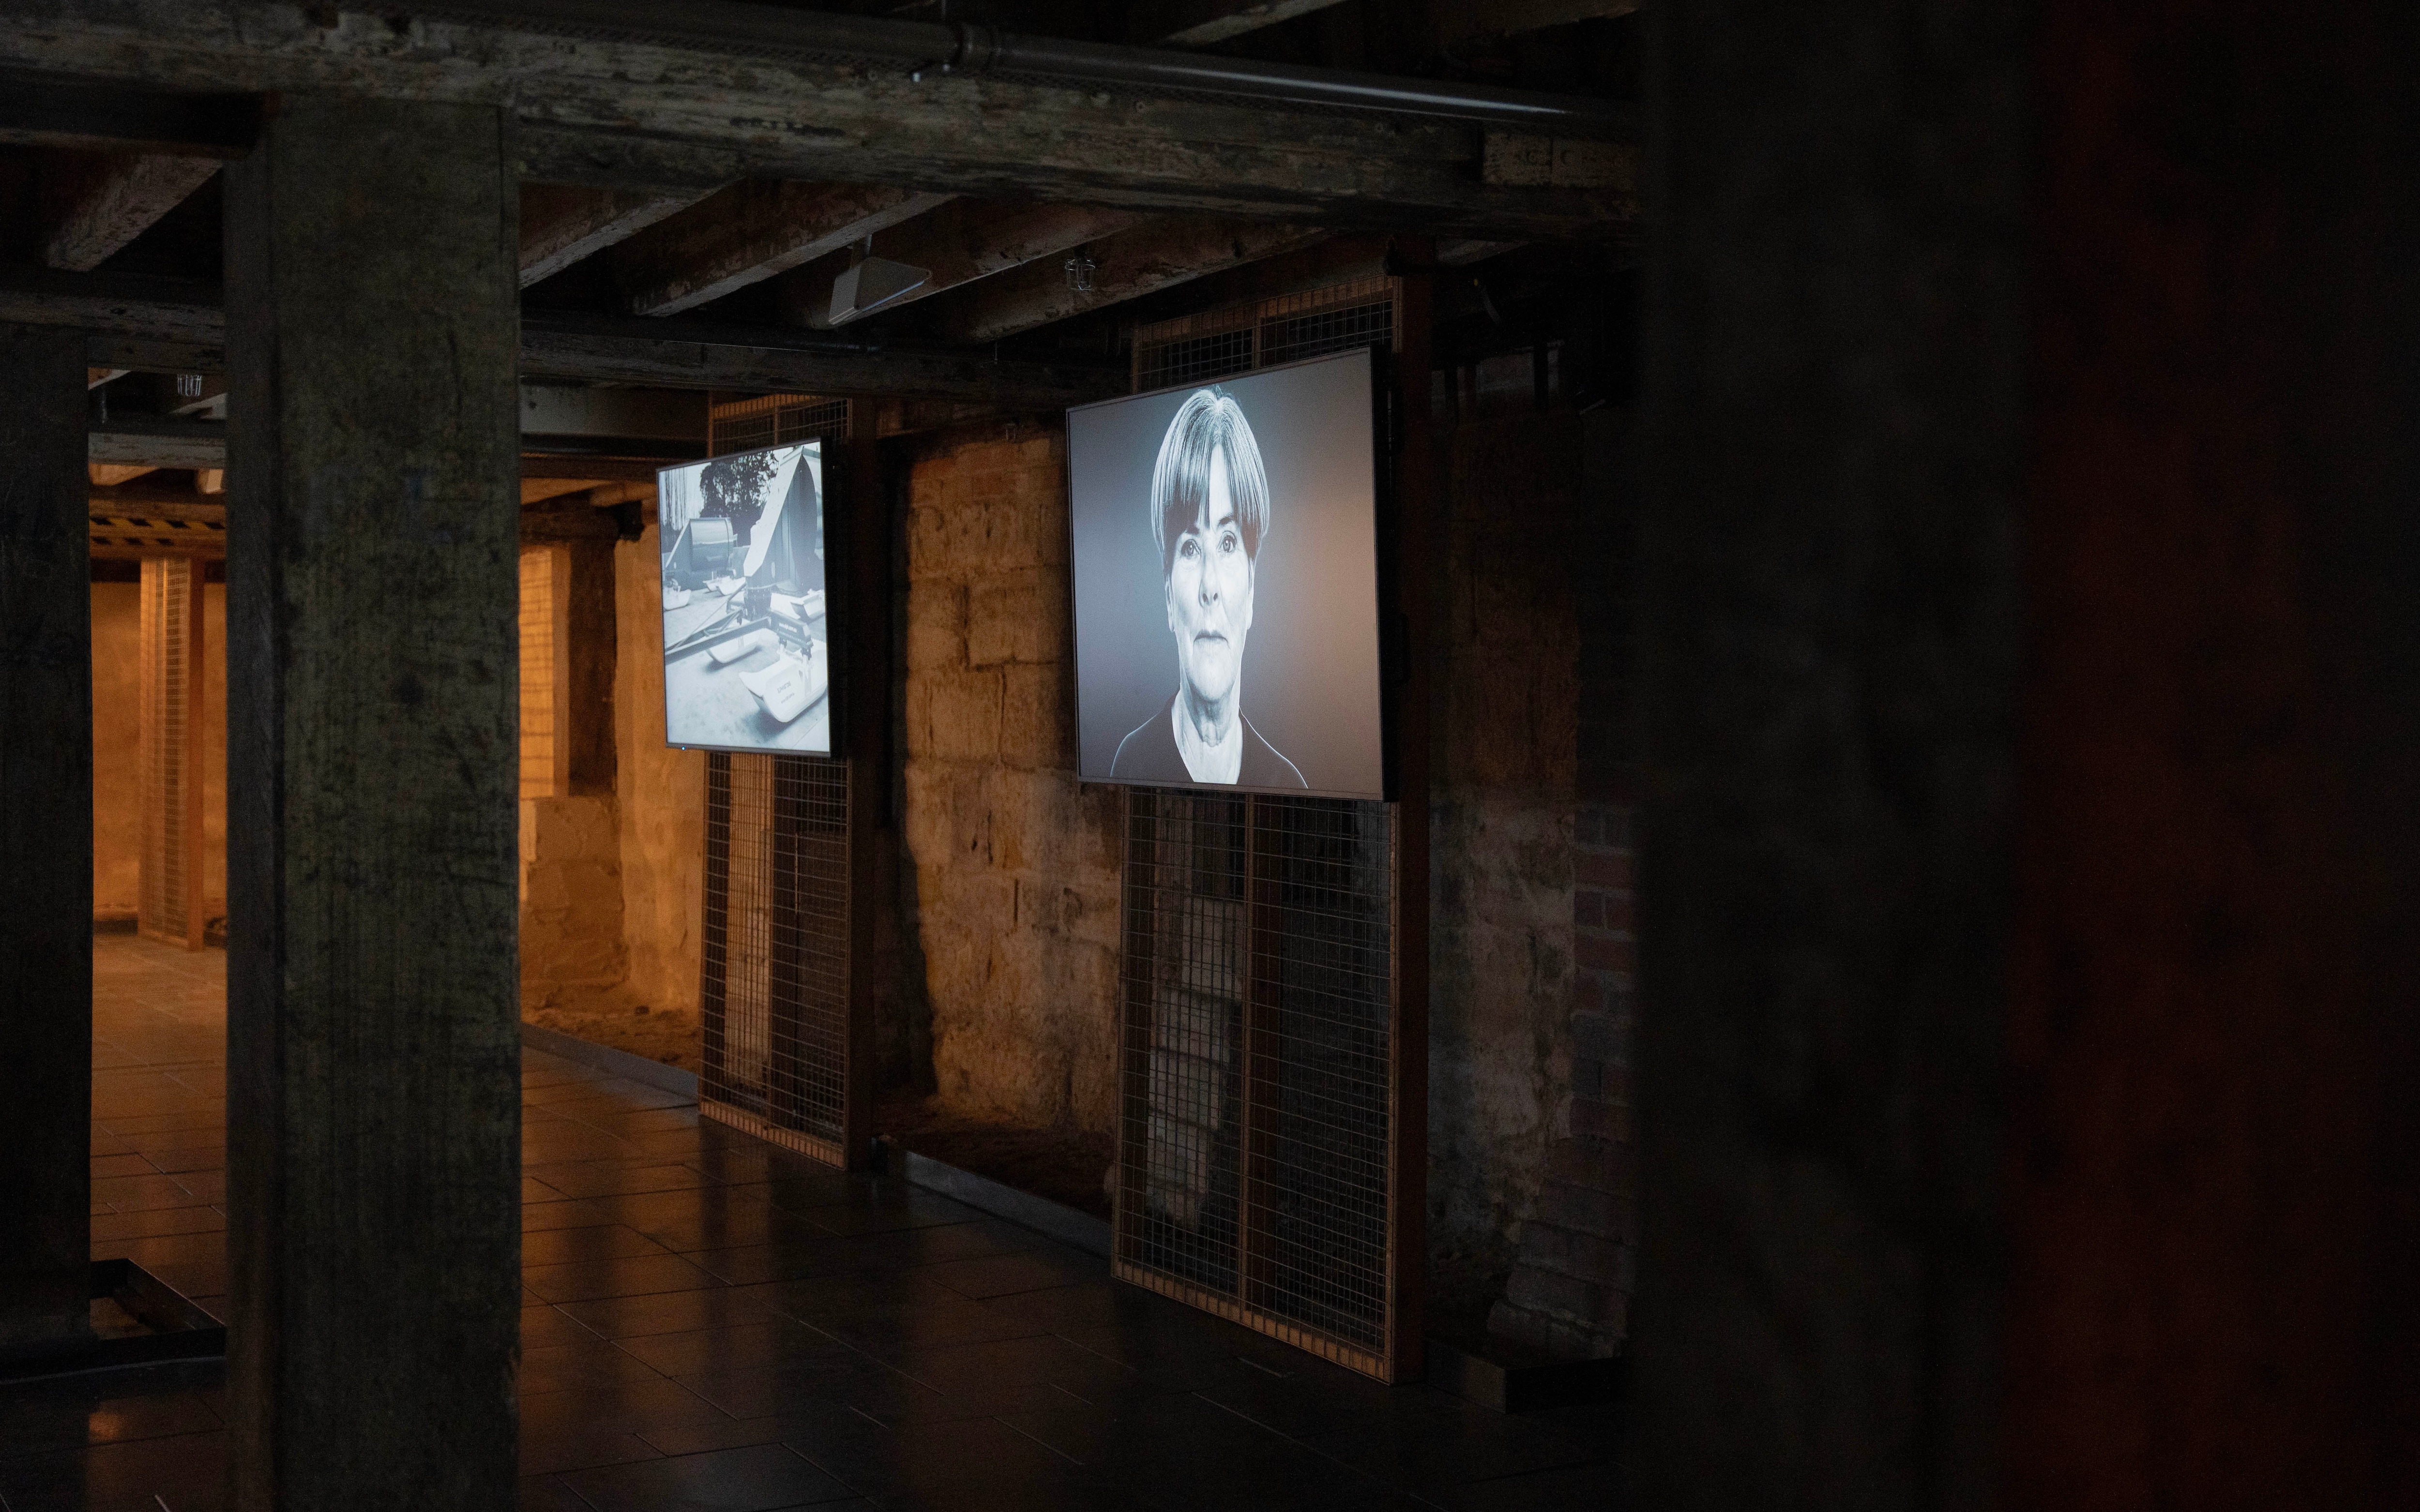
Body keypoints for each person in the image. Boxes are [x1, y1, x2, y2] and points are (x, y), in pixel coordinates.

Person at [1110, 386, 1305, 788]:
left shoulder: (1287, 784)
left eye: (1228, 543)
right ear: (1168, 593)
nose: (1209, 585)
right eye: (1191, 547)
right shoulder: (1131, 765)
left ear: (1252, 588)